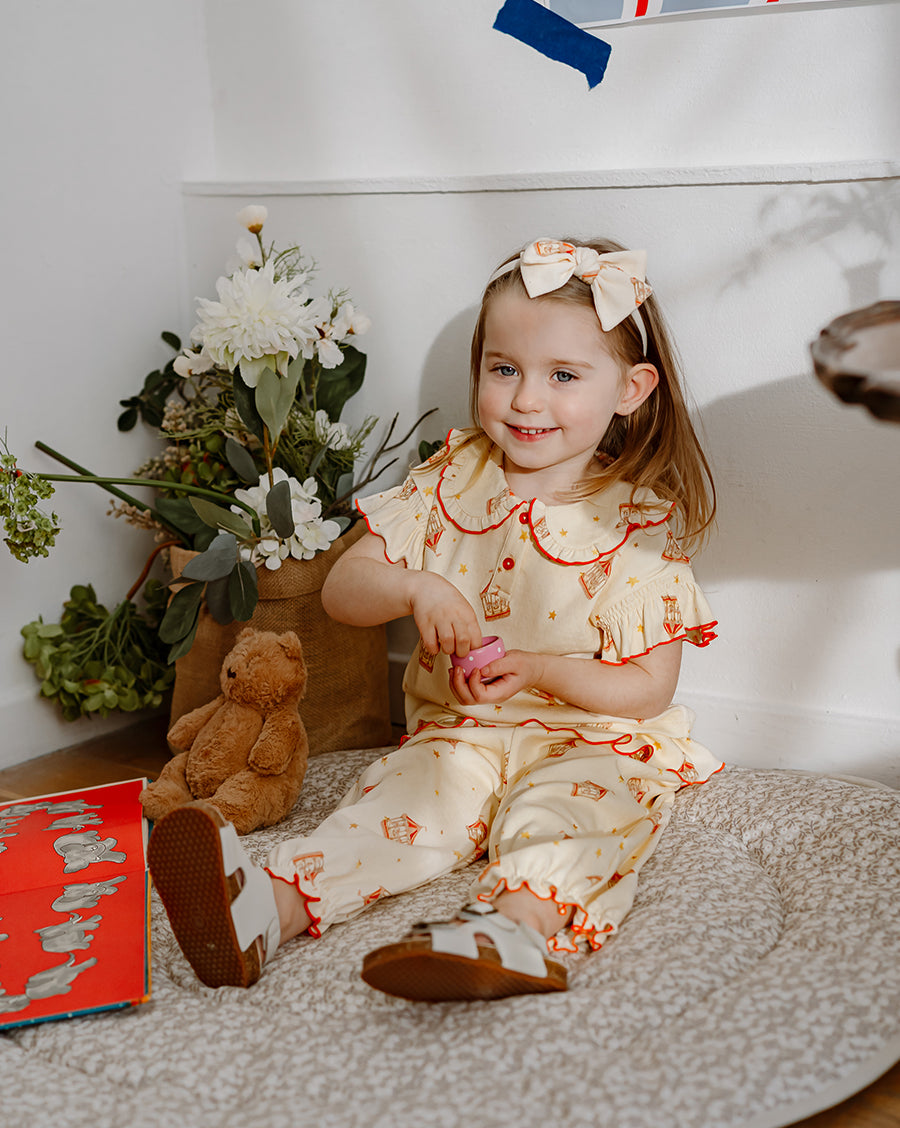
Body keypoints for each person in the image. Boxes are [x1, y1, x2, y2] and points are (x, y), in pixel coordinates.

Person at [148, 236, 721, 1002]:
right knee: (394, 809)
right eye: (504, 369)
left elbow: (648, 690)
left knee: (571, 815)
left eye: (562, 375)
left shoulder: (640, 519)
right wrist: (416, 588)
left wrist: (541, 669)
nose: (526, 399)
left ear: (631, 387)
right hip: (460, 734)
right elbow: (343, 590)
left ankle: (510, 927)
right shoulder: (452, 478)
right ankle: (266, 909)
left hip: (591, 738)